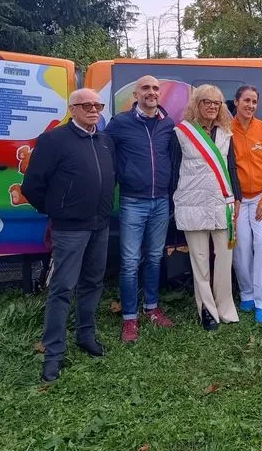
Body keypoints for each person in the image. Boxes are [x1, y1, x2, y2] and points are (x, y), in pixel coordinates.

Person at [22, 88, 116, 382]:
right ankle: (53, 353)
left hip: (100, 225)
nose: (93, 109)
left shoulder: (104, 140)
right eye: (85, 105)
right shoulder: (54, 140)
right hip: (70, 229)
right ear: (72, 109)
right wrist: (56, 210)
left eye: (97, 105)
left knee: (93, 283)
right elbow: (32, 185)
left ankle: (85, 336)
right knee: (63, 289)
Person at [105, 75, 176, 344]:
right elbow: (101, 149)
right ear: (135, 94)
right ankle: (129, 318)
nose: (151, 92)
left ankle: (152, 308)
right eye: (145, 88)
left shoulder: (167, 124)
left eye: (156, 88)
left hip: (160, 201)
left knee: (155, 257)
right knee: (130, 261)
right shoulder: (121, 123)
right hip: (133, 201)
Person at [171, 84, 242, 330]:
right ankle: (207, 311)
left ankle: (225, 307)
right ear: (196, 104)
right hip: (192, 203)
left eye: (217, 103)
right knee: (199, 259)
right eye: (207, 102)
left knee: (224, 257)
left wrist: (238, 197)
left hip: (222, 201)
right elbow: (173, 169)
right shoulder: (181, 132)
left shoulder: (226, 133)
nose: (212, 107)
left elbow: (232, 167)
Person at [231, 85, 262, 323]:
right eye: (246, 101)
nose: (250, 105)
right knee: (240, 248)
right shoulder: (226, 130)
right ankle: (247, 294)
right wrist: (233, 199)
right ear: (236, 102)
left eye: (254, 102)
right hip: (238, 200)